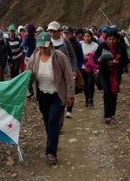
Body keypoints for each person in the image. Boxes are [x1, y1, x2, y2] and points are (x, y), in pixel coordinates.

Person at [26, 32, 75, 165]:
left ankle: (51, 152)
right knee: (47, 121)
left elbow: (69, 77)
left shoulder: (60, 57)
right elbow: (28, 72)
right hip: (42, 94)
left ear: (50, 45)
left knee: (53, 121)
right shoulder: (35, 56)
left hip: (57, 94)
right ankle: (52, 141)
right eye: (40, 47)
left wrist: (70, 94)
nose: (42, 49)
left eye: (45, 47)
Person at [94, 30, 129, 124]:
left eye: (113, 39)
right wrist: (99, 60)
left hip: (116, 73)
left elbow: (125, 60)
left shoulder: (121, 47)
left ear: (117, 39)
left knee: (114, 92)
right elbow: (95, 59)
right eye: (109, 39)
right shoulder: (102, 46)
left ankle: (112, 113)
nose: (111, 41)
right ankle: (107, 115)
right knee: (107, 90)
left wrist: (119, 63)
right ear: (106, 39)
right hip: (104, 72)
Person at [80, 30, 99, 107]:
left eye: (88, 36)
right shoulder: (80, 44)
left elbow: (98, 56)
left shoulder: (95, 45)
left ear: (91, 37)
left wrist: (91, 58)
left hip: (92, 68)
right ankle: (86, 99)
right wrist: (83, 58)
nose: (87, 38)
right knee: (85, 84)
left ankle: (91, 99)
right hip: (83, 67)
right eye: (85, 36)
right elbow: (78, 55)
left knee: (91, 83)